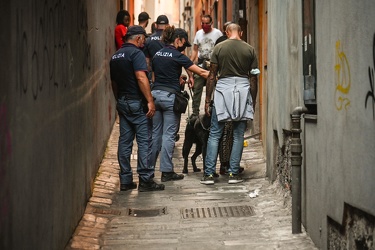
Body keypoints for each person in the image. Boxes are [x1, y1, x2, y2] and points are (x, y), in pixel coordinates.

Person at [200, 23, 260, 185]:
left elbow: (212, 76)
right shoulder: (250, 50)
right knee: (239, 134)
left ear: (226, 33)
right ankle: (233, 173)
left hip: (223, 89)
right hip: (242, 88)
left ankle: (209, 174)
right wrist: (252, 101)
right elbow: (254, 78)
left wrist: (207, 100)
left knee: (215, 133)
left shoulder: (218, 48)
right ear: (240, 32)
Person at [109, 25, 165, 192]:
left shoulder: (115, 56)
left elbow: (113, 83)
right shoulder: (136, 54)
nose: (144, 42)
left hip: (123, 102)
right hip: (136, 103)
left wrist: (118, 100)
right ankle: (146, 179)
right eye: (143, 39)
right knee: (145, 141)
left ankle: (125, 180)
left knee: (125, 142)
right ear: (138, 38)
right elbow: (141, 77)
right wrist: (150, 101)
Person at [151, 26, 209, 182]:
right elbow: (202, 73)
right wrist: (219, 75)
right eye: (184, 43)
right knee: (169, 135)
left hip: (155, 96)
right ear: (178, 40)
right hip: (170, 98)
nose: (184, 46)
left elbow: (156, 78)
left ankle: (148, 173)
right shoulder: (178, 55)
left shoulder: (156, 55)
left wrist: (179, 78)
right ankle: (166, 172)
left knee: (156, 135)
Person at [189, 14, 222, 117]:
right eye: (203, 23)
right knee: (197, 86)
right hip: (201, 63)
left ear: (211, 23)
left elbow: (222, 47)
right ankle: (195, 112)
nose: (204, 25)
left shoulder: (217, 33)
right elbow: (195, 49)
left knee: (216, 86)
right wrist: (191, 61)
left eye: (207, 23)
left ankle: (215, 109)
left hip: (214, 63)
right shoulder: (199, 33)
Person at [143, 15, 170, 79]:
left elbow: (147, 61)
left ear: (156, 25)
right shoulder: (170, 39)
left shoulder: (149, 39)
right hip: (168, 73)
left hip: (154, 74)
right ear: (168, 25)